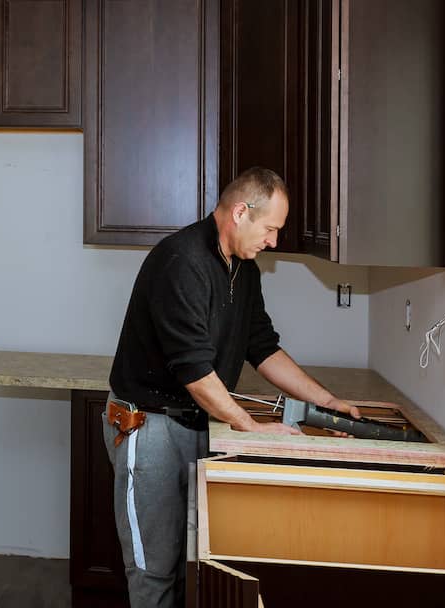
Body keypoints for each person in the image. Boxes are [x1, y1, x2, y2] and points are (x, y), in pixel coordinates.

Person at [102, 166, 360, 608]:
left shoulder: (244, 269)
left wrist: (328, 402)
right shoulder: (180, 262)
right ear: (240, 212)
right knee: (154, 572)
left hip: (201, 422)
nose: (274, 241)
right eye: (271, 229)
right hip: (150, 429)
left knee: (192, 568)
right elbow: (194, 371)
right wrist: (248, 426)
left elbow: (262, 347)